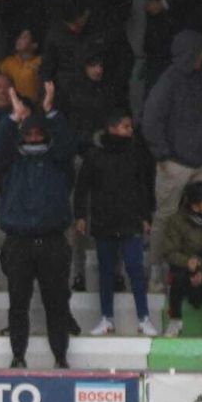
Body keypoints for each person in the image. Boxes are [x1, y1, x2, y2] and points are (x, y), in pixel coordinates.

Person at [0, 87, 77, 368]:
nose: (33, 138)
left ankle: (60, 357)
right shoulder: (11, 161)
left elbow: (68, 143)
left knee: (56, 303)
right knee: (17, 303)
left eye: (38, 134)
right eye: (28, 134)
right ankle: (18, 355)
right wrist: (12, 118)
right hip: (18, 240)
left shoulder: (58, 160)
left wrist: (50, 112)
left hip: (53, 239)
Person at [75, 108, 157, 335]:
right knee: (106, 271)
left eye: (130, 127)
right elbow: (82, 188)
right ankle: (106, 318)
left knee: (135, 269)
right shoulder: (95, 155)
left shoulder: (136, 154)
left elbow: (144, 187)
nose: (130, 131)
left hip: (131, 220)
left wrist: (146, 216)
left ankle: (144, 317)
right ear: (111, 128)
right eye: (125, 127)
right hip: (104, 221)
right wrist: (81, 216)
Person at [145, 30, 202, 250]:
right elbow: (151, 120)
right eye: (200, 51)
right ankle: (157, 275)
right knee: (166, 218)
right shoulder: (168, 81)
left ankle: (194, 273)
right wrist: (163, 155)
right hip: (174, 164)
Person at [158, 180, 202, 338]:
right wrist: (187, 262)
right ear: (195, 207)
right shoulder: (177, 221)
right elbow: (169, 252)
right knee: (176, 277)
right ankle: (175, 320)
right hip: (186, 269)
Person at [134, 0, 202, 87]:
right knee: (155, 89)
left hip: (182, 33)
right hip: (157, 38)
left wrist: (164, 4)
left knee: (180, 89)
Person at [0, 27, 43, 102]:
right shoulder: (9, 62)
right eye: (19, 37)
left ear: (34, 45)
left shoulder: (40, 62)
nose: (19, 40)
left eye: (24, 37)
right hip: (14, 108)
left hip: (35, 108)